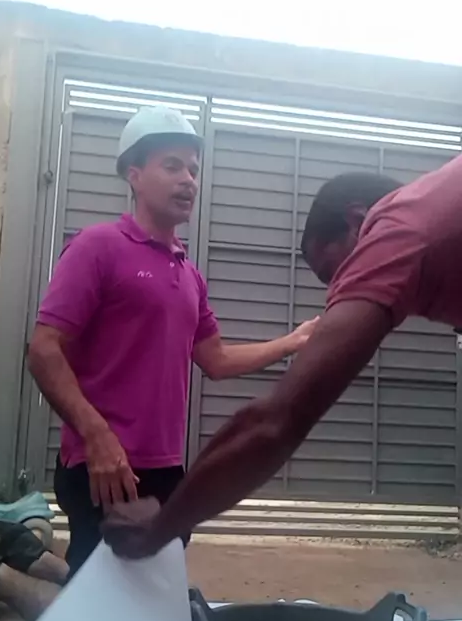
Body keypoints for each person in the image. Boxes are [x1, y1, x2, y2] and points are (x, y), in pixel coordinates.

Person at [0, 105, 316, 621]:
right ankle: (16, 591)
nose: (188, 180)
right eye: (172, 165)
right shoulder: (98, 247)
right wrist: (97, 435)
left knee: (145, 593)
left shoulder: (189, 273)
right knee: (106, 606)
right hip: (103, 467)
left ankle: (31, 575)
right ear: (133, 175)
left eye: (194, 170)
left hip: (165, 467)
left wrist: (293, 341)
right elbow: (44, 350)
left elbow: (216, 359)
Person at [102, 153, 462, 558]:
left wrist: (157, 529)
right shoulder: (438, 215)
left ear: (357, 220)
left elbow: (274, 423)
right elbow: (217, 363)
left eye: (338, 271)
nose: (341, 289)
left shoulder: (396, 229)